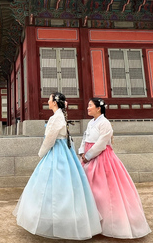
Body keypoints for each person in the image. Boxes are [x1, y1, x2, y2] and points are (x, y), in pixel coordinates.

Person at [13, 92, 102, 240]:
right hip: (64, 152)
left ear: (54, 102)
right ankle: (65, 218)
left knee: (52, 186)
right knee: (67, 186)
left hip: (56, 152)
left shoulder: (56, 118)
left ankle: (56, 220)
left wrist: (41, 153)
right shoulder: (61, 116)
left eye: (49, 99)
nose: (47, 101)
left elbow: (49, 139)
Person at [79, 98, 151, 239]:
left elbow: (101, 143)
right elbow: (84, 138)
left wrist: (88, 155)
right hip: (87, 156)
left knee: (103, 191)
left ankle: (109, 223)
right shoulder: (90, 122)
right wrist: (82, 151)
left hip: (101, 158)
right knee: (89, 190)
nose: (88, 108)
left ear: (98, 108)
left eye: (90, 106)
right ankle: (91, 222)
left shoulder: (105, 123)